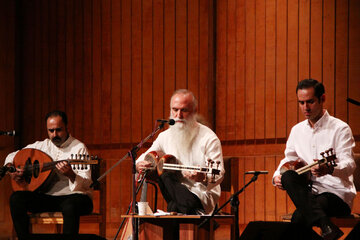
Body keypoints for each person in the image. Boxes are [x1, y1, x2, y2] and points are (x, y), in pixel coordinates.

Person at [273, 79, 356, 240]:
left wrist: (330, 169)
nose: (306, 107)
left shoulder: (340, 128)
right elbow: (288, 159)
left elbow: (350, 165)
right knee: (288, 176)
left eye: (310, 101)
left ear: (322, 99)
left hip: (337, 194)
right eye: (301, 102)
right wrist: (277, 175)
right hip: (310, 195)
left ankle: (325, 224)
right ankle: (325, 225)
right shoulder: (297, 130)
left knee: (299, 218)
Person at [4, 110, 93, 239]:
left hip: (74, 197)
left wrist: (71, 175)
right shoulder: (42, 146)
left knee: (70, 206)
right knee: (16, 198)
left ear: (66, 127)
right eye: (51, 131)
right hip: (48, 197)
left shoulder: (79, 148)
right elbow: (12, 156)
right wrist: (10, 168)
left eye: (58, 130)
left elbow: (87, 183)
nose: (54, 134)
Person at [136, 89, 225, 214]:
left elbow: (219, 172)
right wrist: (139, 164)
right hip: (175, 195)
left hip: (200, 195)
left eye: (184, 110)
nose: (178, 115)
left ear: (194, 111)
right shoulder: (165, 136)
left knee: (167, 181)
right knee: (165, 177)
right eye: (175, 110)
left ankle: (182, 212)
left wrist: (204, 177)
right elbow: (143, 158)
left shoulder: (208, 138)